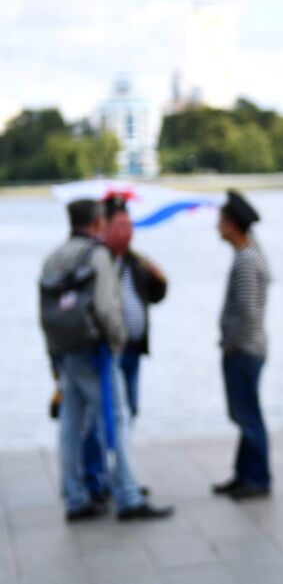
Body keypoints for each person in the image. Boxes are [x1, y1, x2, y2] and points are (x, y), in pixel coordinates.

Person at [39, 199, 173, 522]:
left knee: (71, 425)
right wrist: (116, 341)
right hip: (96, 352)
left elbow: (44, 311)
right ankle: (127, 496)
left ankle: (75, 497)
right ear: (98, 221)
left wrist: (53, 356)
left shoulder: (53, 258)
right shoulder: (97, 255)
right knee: (118, 418)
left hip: (66, 351)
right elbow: (106, 307)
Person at [81, 195, 168, 503]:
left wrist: (159, 279)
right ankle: (97, 479)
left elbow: (156, 295)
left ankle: (122, 474)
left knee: (127, 413)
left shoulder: (134, 260)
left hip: (133, 350)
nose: (128, 231)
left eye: (131, 224)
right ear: (104, 227)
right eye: (121, 225)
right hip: (110, 350)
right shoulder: (101, 260)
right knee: (101, 417)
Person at [212, 190, 273, 499]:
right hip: (249, 347)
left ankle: (258, 478)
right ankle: (244, 473)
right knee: (245, 414)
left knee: (248, 416)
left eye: (220, 221)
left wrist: (230, 342)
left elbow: (247, 311)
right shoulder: (251, 253)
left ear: (232, 224)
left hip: (244, 350)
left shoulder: (247, 260)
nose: (216, 227)